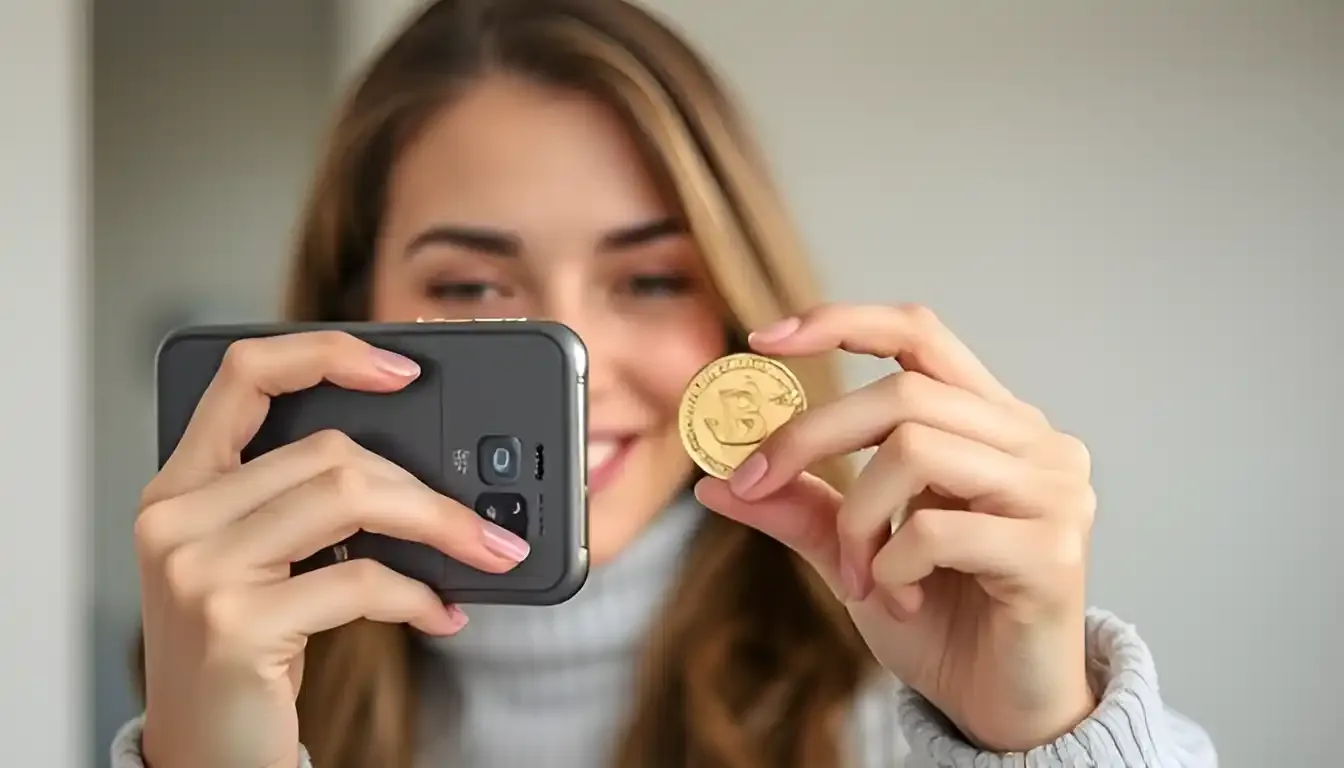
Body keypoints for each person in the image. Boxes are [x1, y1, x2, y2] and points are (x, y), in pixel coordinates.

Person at [113, 1, 1218, 766]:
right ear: (351, 309)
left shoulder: (916, 705)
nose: (573, 364)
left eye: (648, 278)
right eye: (469, 282)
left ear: (739, 315)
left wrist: (1042, 738)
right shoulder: (238, 689)